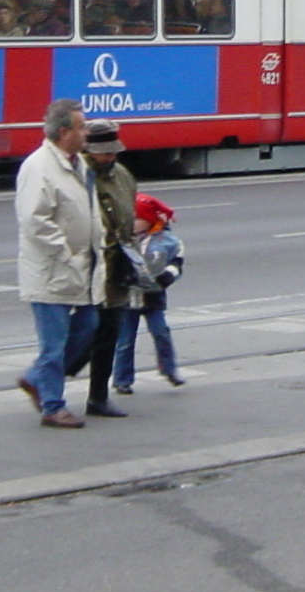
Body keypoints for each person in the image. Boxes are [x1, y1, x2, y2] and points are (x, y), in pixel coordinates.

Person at [15, 98, 103, 428]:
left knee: (88, 327)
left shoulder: (78, 163)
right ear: (64, 131)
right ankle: (53, 406)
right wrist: (66, 253)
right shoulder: (39, 167)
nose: (86, 132)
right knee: (54, 344)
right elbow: (34, 221)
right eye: (81, 126)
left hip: (80, 268)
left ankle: (36, 378)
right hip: (52, 269)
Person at [80, 119, 137, 418]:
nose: (110, 156)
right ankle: (42, 381)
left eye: (113, 151)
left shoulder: (122, 175)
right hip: (89, 270)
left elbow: (129, 218)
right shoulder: (79, 175)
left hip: (118, 269)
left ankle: (98, 397)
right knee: (83, 333)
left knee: (108, 333)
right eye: (104, 152)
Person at [111, 193, 185, 396]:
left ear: (150, 219)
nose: (133, 223)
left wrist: (167, 277)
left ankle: (169, 370)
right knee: (125, 340)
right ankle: (122, 379)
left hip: (153, 297)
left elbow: (177, 262)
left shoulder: (167, 240)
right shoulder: (121, 239)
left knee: (161, 333)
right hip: (128, 299)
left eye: (137, 219)